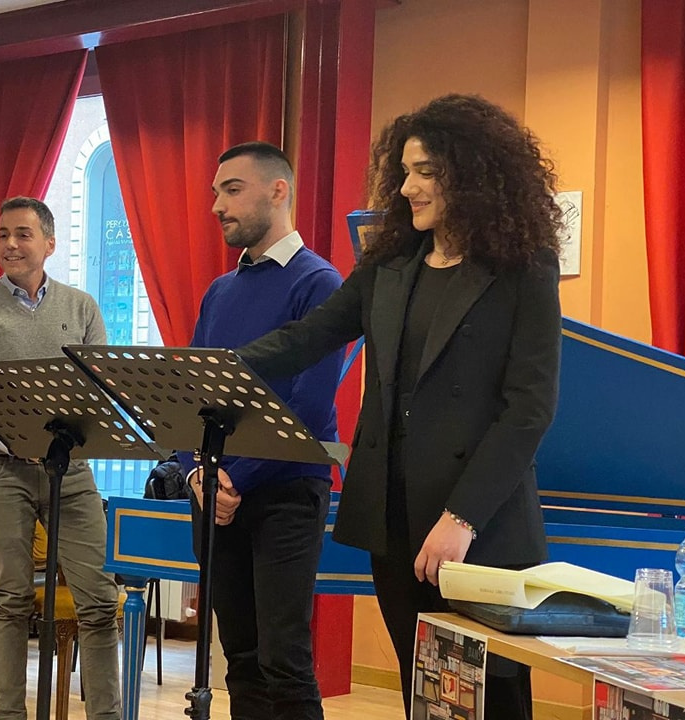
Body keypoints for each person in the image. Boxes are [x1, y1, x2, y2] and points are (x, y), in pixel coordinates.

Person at [235, 95, 563, 720]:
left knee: (493, 702)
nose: (407, 187)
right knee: (424, 695)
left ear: (472, 175)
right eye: (405, 171)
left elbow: (529, 408)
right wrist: (221, 368)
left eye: (426, 172)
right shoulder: (388, 263)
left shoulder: (524, 269)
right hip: (393, 520)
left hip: (479, 524)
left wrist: (462, 518)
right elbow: (308, 336)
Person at [177, 142, 345, 720]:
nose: (217, 206)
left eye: (232, 190)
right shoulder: (219, 291)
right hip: (216, 492)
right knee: (241, 660)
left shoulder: (319, 282)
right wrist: (196, 474)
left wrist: (231, 477)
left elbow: (309, 408)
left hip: (284, 492)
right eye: (215, 193)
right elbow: (188, 398)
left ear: (278, 191)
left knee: (283, 660)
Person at [0, 196, 121, 720]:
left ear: (49, 243)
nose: (10, 244)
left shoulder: (81, 308)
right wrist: (12, 438)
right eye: (3, 234)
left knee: (99, 599)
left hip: (72, 471)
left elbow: (101, 390)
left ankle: (107, 715)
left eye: (22, 234)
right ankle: (9, 715)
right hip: (1, 471)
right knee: (10, 598)